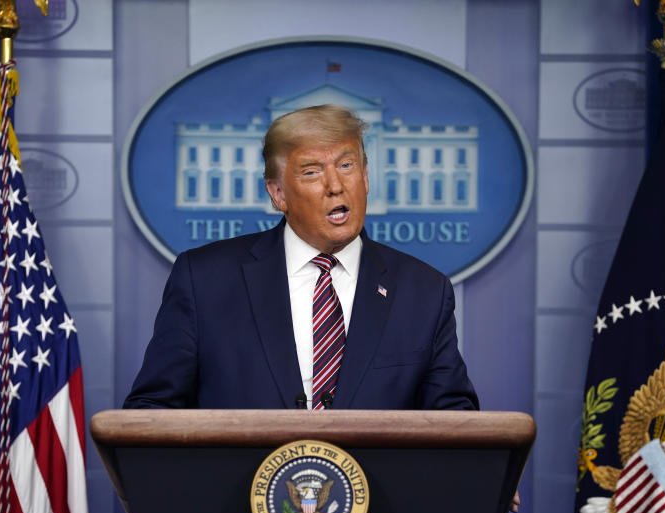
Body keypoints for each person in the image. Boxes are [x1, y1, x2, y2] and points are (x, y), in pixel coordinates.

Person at [124, 104, 479, 413]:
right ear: (278, 194)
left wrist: (485, 474)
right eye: (311, 171)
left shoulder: (424, 291)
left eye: (346, 165)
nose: (335, 185)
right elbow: (152, 412)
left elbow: (454, 420)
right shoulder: (204, 280)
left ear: (366, 177)